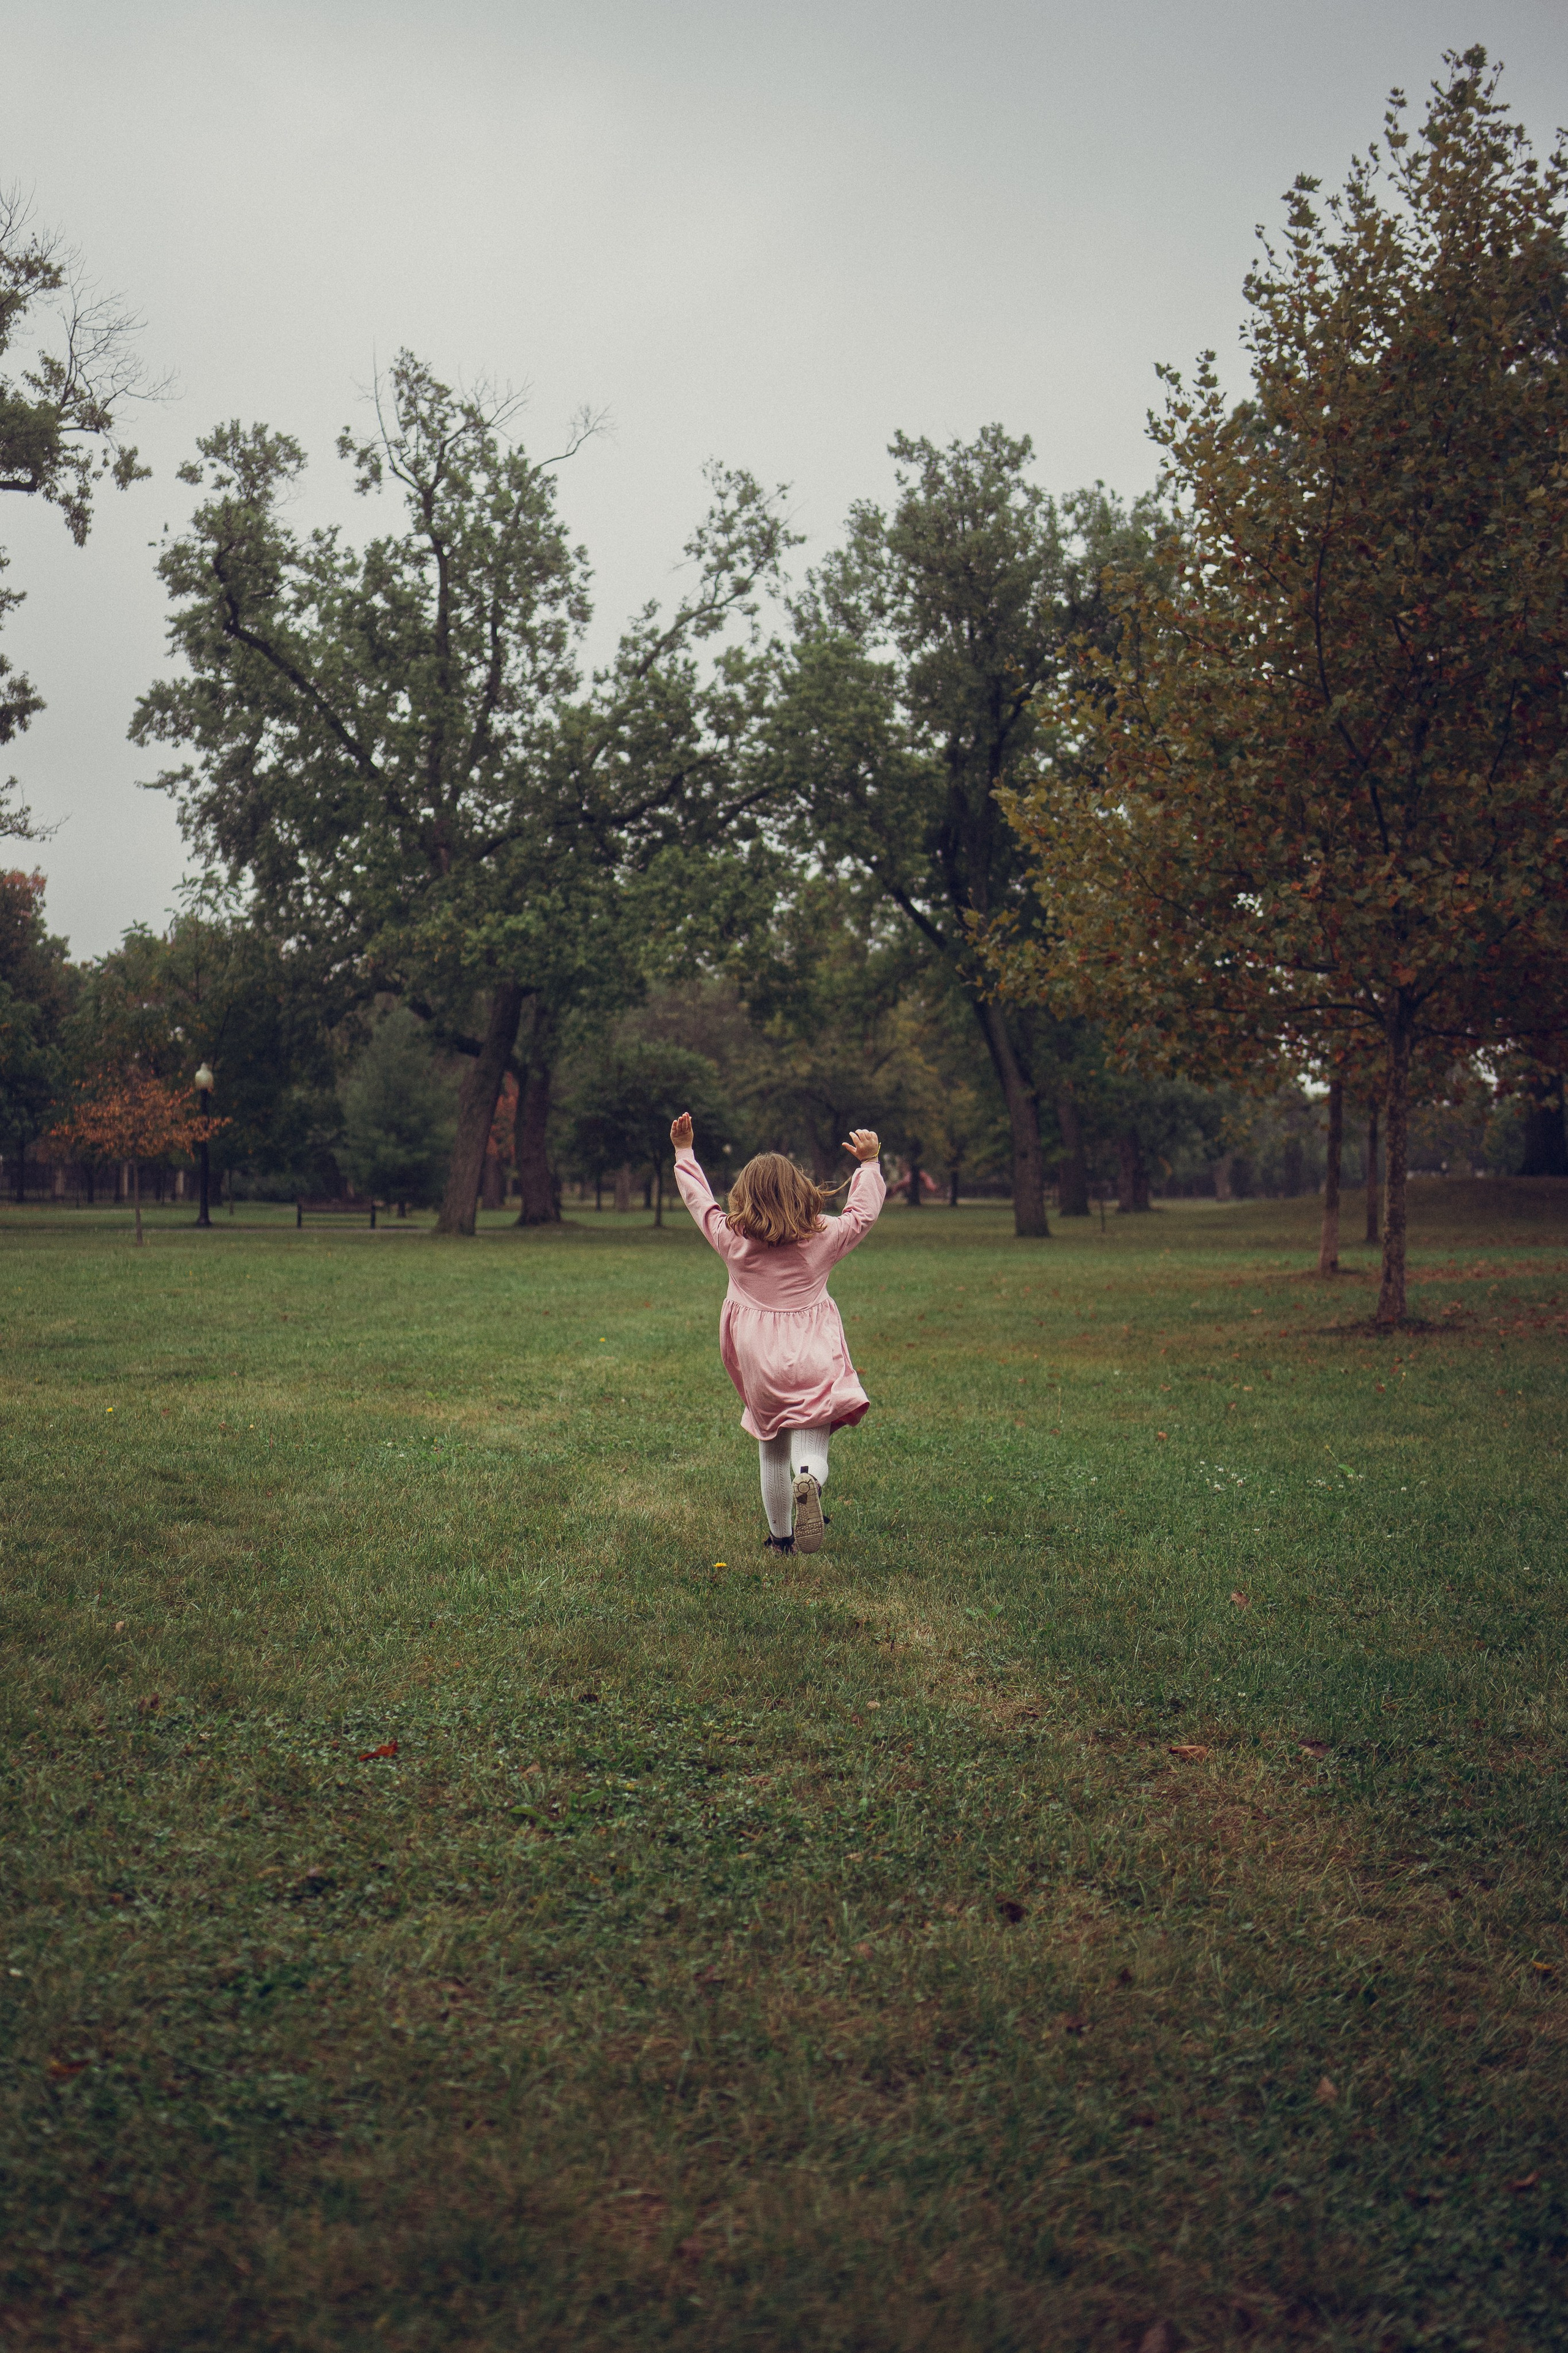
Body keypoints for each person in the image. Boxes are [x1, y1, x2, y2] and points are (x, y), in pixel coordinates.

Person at [669, 1112, 886, 1555]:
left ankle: (782, 1540)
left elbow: (699, 1203)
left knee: (771, 1450)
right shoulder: (823, 1234)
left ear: (743, 1195)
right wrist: (869, 1165)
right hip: (812, 1355)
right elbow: (861, 1214)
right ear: (800, 1189)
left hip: (760, 1362)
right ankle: (809, 1477)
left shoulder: (733, 1239)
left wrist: (684, 1151)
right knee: (810, 1442)